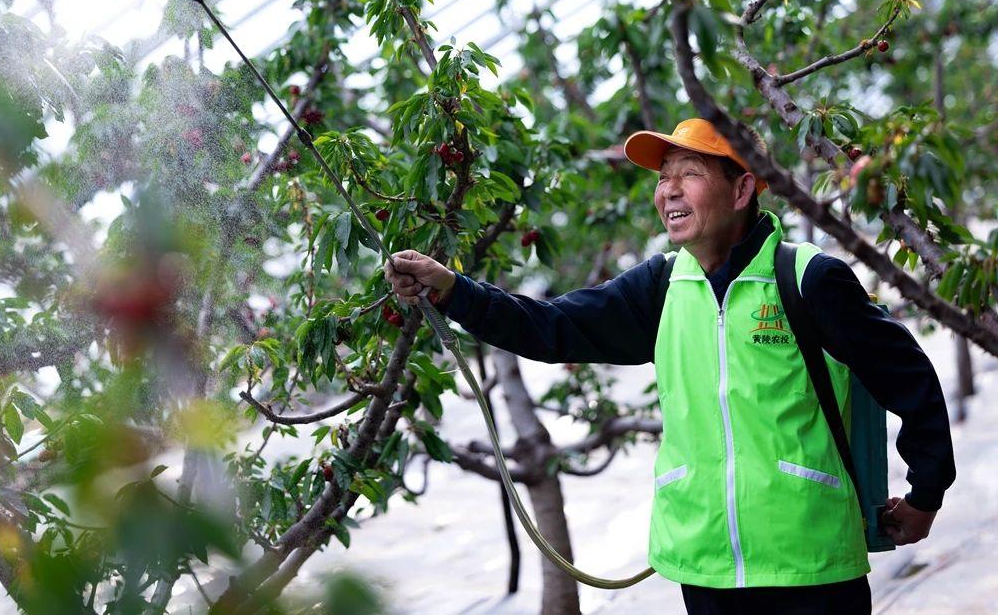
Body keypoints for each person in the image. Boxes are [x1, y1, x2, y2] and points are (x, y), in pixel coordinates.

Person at [383, 118, 956, 614]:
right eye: (663, 178)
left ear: (741, 190)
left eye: (690, 173)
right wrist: (453, 290)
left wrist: (925, 493)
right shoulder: (660, 286)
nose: (668, 191)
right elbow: (550, 326)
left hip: (810, 568)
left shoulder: (807, 279)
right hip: (704, 566)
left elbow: (908, 377)